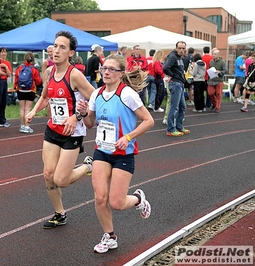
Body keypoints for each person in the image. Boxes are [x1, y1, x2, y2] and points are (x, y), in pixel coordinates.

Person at [76, 54, 154, 253]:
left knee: (117, 203)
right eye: (104, 69)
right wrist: (84, 113)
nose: (107, 72)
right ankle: (110, 237)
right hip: (102, 151)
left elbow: (148, 121)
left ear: (121, 73)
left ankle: (137, 198)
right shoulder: (96, 94)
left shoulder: (127, 94)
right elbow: (90, 124)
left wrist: (128, 137)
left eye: (112, 69)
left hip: (123, 154)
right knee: (100, 197)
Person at [25, 30, 94, 228]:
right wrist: (33, 111)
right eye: (55, 46)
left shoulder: (76, 75)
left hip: (72, 132)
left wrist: (77, 116)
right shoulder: (49, 71)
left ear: (71, 53)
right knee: (48, 175)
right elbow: (46, 96)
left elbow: (95, 100)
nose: (56, 51)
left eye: (62, 47)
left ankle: (88, 165)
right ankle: (60, 213)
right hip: (52, 129)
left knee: (61, 180)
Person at [163, 41, 190, 137]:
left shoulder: (180, 58)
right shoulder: (173, 56)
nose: (181, 50)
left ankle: (179, 126)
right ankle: (170, 129)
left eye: (183, 48)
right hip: (175, 84)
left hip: (180, 83)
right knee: (174, 107)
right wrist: (172, 75)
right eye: (180, 48)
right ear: (176, 48)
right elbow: (165, 68)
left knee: (182, 107)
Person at [14, 52, 42, 134]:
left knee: (22, 109)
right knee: (28, 109)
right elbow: (38, 81)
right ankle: (27, 126)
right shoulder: (34, 69)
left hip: (20, 90)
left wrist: (16, 88)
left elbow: (16, 79)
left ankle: (22, 126)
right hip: (30, 90)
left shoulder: (19, 68)